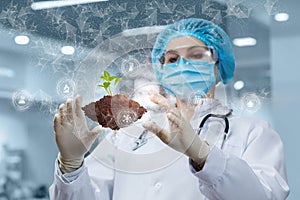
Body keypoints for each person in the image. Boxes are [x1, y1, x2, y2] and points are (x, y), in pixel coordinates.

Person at [49, 18, 289, 199]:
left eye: (197, 55)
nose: (183, 65)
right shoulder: (130, 136)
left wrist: (202, 154)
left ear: (219, 66)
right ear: (161, 70)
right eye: (172, 59)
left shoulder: (252, 133)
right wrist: (72, 164)